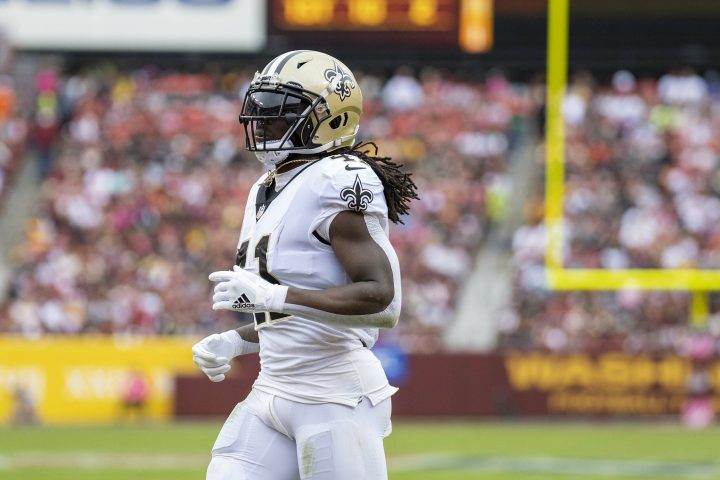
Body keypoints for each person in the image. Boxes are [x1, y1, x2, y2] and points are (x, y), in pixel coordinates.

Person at [191, 50, 418, 480]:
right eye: (262, 109)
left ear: (330, 119)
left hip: (334, 396)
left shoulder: (338, 177)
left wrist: (274, 295)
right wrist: (237, 340)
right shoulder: (266, 186)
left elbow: (382, 301)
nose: (264, 121)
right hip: (272, 388)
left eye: (281, 112)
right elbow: (293, 313)